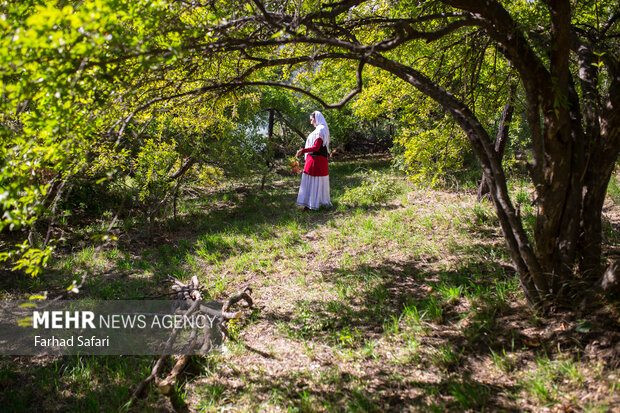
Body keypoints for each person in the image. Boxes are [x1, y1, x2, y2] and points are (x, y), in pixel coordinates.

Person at [295, 111, 332, 211]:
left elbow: (316, 147)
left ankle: (312, 205)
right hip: (314, 160)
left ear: (317, 119)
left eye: (312, 120)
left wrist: (303, 151)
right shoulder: (320, 130)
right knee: (312, 182)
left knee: (314, 182)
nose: (311, 122)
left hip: (317, 161)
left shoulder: (320, 130)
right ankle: (310, 204)